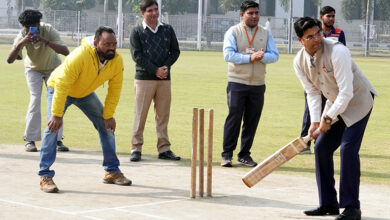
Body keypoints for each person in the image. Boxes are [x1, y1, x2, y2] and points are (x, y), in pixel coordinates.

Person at [293, 17, 377, 220]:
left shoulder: (338, 51)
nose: (317, 39)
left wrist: (328, 118)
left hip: (358, 102)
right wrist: (315, 121)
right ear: (300, 40)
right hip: (335, 103)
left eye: (318, 33)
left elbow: (347, 92)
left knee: (348, 150)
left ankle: (351, 208)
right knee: (321, 148)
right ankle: (328, 203)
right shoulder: (299, 61)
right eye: (310, 36)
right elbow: (312, 92)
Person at [38, 26, 132, 193]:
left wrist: (108, 115)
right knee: (52, 128)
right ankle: (45, 176)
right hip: (60, 89)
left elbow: (115, 89)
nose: (112, 47)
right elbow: (62, 84)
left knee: (107, 126)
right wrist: (57, 115)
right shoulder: (80, 55)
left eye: (114, 44)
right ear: (96, 43)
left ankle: (111, 171)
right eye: (107, 44)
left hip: (85, 93)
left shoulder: (116, 61)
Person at [221, 1, 279, 167]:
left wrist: (262, 57)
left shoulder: (265, 33)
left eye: (256, 13)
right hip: (237, 82)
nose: (254, 16)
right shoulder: (233, 31)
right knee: (234, 119)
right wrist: (249, 58)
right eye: (250, 13)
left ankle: (244, 154)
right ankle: (227, 155)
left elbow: (274, 55)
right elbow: (228, 55)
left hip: (258, 84)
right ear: (242, 15)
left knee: (252, 120)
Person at [7, 9, 70, 152]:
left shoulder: (48, 30)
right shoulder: (22, 35)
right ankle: (30, 140)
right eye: (26, 27)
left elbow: (65, 51)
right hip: (33, 69)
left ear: (38, 23)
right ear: (23, 26)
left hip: (53, 68)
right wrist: (21, 44)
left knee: (55, 102)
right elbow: (10, 60)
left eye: (32, 26)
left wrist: (44, 41)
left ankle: (56, 139)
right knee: (35, 100)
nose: (29, 30)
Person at [129, 0, 181, 162]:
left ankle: (164, 149)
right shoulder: (137, 31)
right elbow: (137, 56)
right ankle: (136, 148)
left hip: (164, 79)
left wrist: (165, 66)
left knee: (163, 116)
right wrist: (155, 70)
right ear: (143, 13)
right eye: (150, 10)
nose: (154, 13)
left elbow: (175, 51)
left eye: (156, 10)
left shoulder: (167, 29)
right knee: (140, 114)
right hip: (144, 79)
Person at [300, 5, 346, 154]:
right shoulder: (312, 31)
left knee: (330, 111)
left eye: (333, 16)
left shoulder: (339, 33)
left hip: (330, 79)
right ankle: (306, 142)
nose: (331, 19)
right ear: (321, 17)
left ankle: (322, 141)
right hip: (316, 79)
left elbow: (341, 52)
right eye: (328, 16)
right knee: (311, 110)